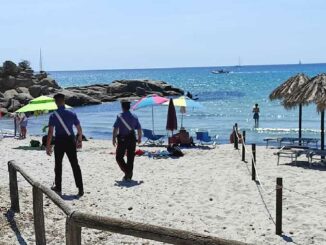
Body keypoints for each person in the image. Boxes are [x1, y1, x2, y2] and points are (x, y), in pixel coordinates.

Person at [46, 93, 84, 196]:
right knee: (75, 164)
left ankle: (58, 187)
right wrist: (79, 139)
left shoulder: (53, 115)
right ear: (64, 101)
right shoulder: (72, 114)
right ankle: (80, 188)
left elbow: (50, 132)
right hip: (70, 140)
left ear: (56, 102)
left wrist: (48, 146)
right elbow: (79, 128)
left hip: (59, 141)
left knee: (58, 164)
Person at [113, 101, 142, 181]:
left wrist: (113, 138)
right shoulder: (135, 116)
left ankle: (127, 172)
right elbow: (139, 128)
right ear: (129, 107)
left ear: (122, 107)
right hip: (132, 138)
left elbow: (116, 128)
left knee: (119, 157)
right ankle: (128, 174)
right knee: (130, 157)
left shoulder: (120, 116)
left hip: (123, 139)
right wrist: (139, 138)